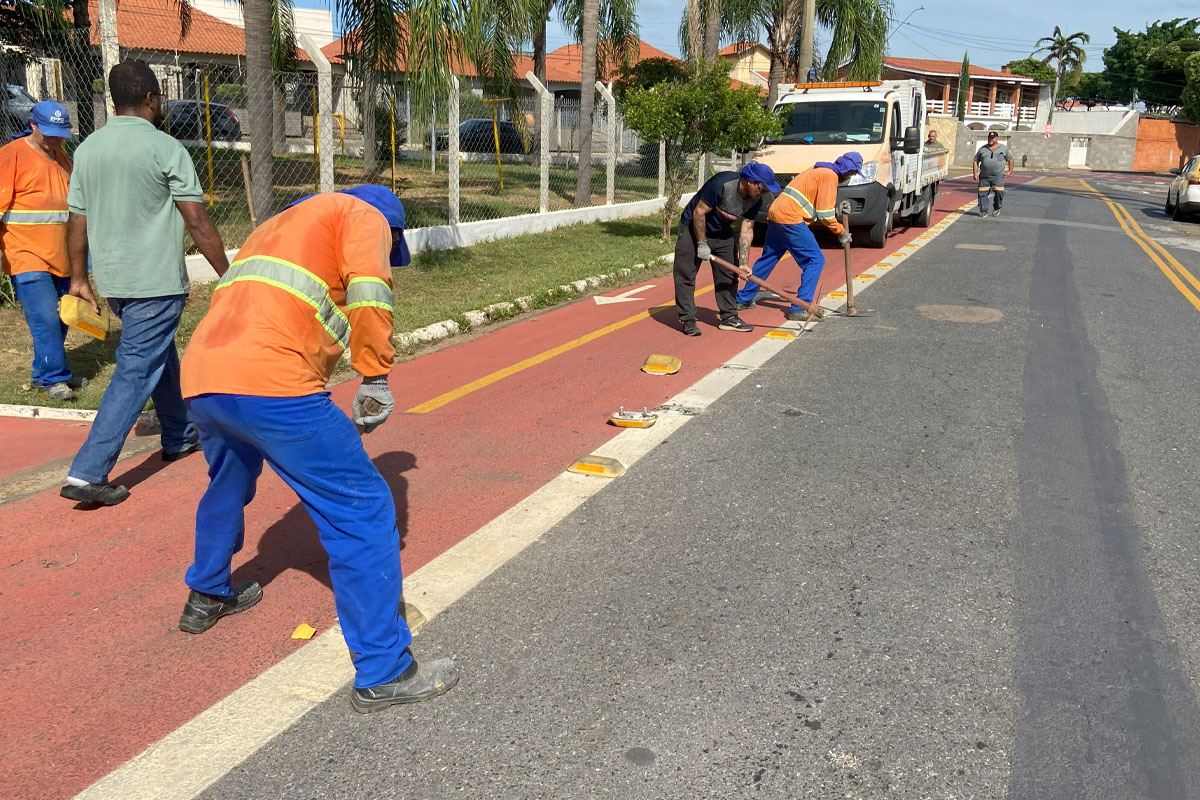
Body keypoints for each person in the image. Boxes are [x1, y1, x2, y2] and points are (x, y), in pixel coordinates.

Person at [176, 185, 459, 712]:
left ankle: (208, 592)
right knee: (364, 510)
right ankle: (385, 669)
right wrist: (375, 375)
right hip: (273, 384)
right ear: (390, 226)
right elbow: (371, 291)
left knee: (228, 481)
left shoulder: (279, 226)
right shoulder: (363, 214)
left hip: (203, 378)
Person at [61, 61, 229, 507]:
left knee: (158, 354)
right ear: (153, 98)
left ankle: (177, 434)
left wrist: (79, 277)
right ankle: (87, 472)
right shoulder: (165, 147)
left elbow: (76, 221)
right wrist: (230, 275)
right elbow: (196, 219)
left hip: (116, 281)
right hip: (155, 281)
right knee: (137, 367)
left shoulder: (88, 149)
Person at [0, 100, 85, 402]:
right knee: (46, 315)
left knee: (61, 316)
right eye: (48, 132)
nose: (54, 139)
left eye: (59, 133)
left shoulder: (62, 159)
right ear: (33, 125)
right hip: (25, 253)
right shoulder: (11, 156)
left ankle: (42, 372)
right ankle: (55, 379)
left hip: (61, 255)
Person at [736, 152, 861, 322]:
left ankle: (743, 299)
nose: (851, 176)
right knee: (815, 260)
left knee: (769, 258)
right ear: (848, 169)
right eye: (853, 173)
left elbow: (816, 203)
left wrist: (837, 211)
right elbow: (824, 214)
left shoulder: (818, 169)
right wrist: (841, 232)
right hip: (790, 218)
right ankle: (800, 307)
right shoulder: (830, 176)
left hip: (776, 214)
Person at [674, 162, 780, 336]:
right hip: (693, 228)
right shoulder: (721, 185)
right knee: (686, 273)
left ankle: (729, 317)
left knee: (730, 274)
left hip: (721, 232)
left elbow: (747, 230)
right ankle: (688, 319)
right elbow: (698, 213)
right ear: (749, 181)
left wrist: (744, 264)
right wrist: (701, 244)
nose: (763, 193)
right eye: (761, 188)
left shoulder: (756, 200)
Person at [974, 131, 1014, 217]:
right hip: (984, 176)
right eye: (989, 138)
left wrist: (1010, 171)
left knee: (999, 192)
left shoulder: (1003, 149)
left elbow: (1010, 160)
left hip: (998, 176)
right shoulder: (982, 149)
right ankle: (983, 210)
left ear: (997, 138)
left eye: (992, 138)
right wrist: (975, 173)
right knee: (982, 193)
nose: (990, 140)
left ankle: (997, 208)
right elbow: (976, 161)